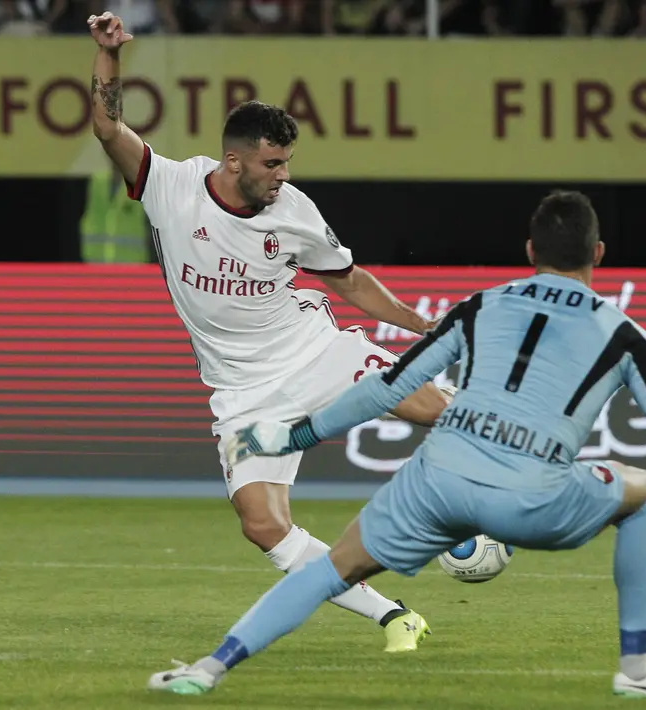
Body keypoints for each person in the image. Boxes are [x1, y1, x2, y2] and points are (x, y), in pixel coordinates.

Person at [146, 190, 646, 698]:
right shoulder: (623, 335)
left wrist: (289, 434)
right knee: (644, 492)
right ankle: (636, 668)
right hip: (532, 498)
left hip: (435, 481)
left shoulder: (482, 304)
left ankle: (207, 670)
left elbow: (386, 387)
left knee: (329, 569)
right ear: (598, 256)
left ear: (528, 252)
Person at [86, 12, 451, 653]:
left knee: (431, 407)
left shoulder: (296, 210)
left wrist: (423, 324)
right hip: (243, 392)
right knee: (263, 526)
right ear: (234, 160)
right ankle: (395, 616)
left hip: (314, 352)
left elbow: (350, 281)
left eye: (287, 163)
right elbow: (108, 127)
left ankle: (491, 503)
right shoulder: (170, 187)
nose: (282, 175)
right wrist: (108, 57)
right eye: (272, 163)